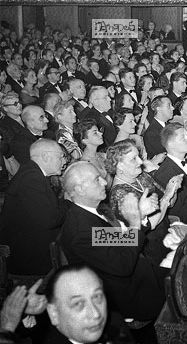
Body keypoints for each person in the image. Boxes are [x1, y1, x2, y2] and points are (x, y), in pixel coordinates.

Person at [59, 161, 166, 321]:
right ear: (80, 189)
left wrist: (140, 214)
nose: (104, 182)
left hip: (139, 275)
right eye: (97, 179)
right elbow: (123, 266)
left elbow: (122, 240)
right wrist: (135, 221)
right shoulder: (81, 231)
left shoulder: (93, 212)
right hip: (127, 295)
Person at [0, 139, 67, 275]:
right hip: (32, 258)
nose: (64, 162)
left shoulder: (32, 174)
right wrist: (69, 202)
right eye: (61, 156)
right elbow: (50, 219)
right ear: (45, 157)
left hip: (42, 248)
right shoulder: (31, 179)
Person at [44, 265, 135, 344]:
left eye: (97, 296)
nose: (96, 314)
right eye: (78, 303)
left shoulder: (115, 322)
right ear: (54, 313)